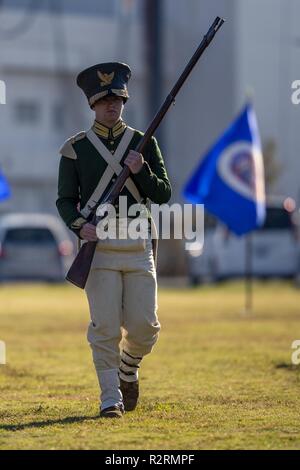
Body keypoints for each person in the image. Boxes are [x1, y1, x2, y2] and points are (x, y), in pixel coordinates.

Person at [56, 62, 171, 418]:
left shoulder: (143, 143)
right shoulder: (75, 148)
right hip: (99, 247)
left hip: (138, 245)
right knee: (104, 326)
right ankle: (110, 398)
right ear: (92, 104)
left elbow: (164, 193)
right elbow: (64, 199)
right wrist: (79, 225)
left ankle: (128, 369)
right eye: (104, 101)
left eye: (117, 99)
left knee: (145, 327)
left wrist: (141, 170)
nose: (112, 106)